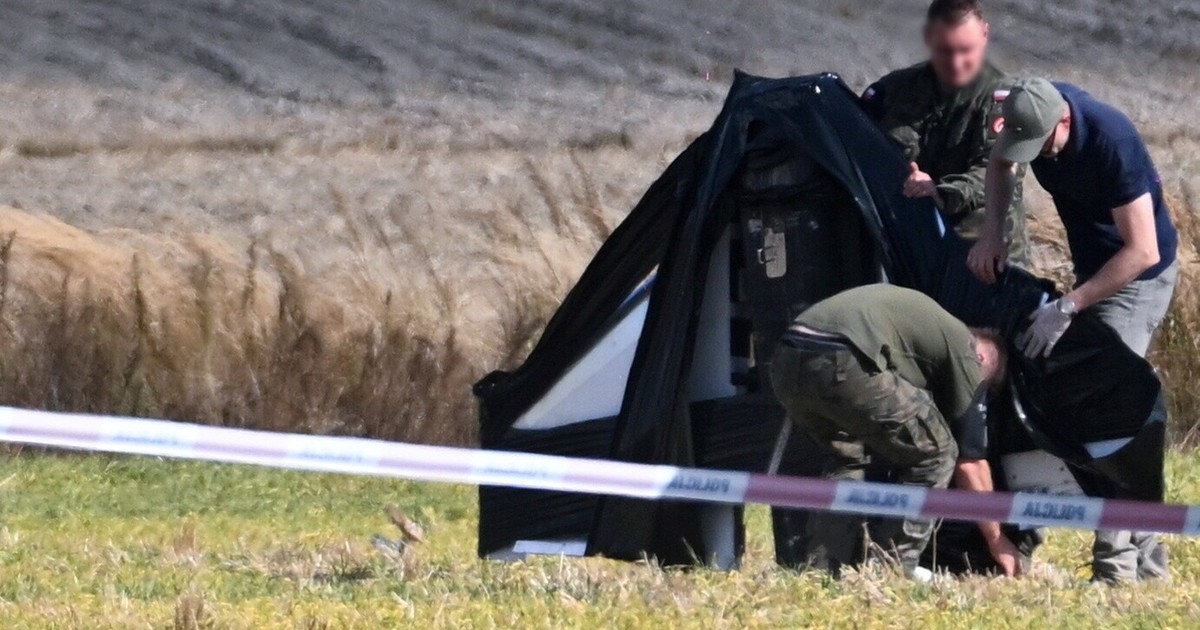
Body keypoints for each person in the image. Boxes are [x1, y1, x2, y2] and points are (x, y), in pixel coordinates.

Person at [966, 77, 1179, 583]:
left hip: (1138, 276)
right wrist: (992, 234)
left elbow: (1142, 250)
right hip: (1094, 271)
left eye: (1040, 145)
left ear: (1063, 121)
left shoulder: (1112, 141)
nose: (1034, 154)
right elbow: (1000, 165)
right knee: (1090, 406)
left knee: (1109, 415)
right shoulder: (1029, 108)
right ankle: (1150, 561)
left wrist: (1068, 306)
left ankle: (1115, 571)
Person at [769, 284, 1021, 578]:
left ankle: (823, 570)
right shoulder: (966, 352)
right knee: (937, 453)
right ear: (983, 359)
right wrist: (996, 539)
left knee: (849, 460)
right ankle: (892, 569)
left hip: (787, 359)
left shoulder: (926, 327)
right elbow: (971, 463)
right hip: (844, 357)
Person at [860, 0, 1029, 266]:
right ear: (929, 38)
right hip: (907, 240)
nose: (956, 63)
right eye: (945, 51)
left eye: (966, 50)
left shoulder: (1009, 101)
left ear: (984, 34)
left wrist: (941, 193)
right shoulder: (893, 91)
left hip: (981, 248)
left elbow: (997, 171)